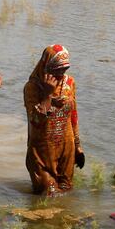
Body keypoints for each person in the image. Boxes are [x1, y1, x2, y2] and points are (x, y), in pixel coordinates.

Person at [23, 44, 84, 195]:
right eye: (57, 69)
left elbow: (73, 115)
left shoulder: (69, 83)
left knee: (66, 193)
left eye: (64, 69)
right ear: (46, 66)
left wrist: (77, 146)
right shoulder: (32, 88)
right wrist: (48, 95)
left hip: (66, 148)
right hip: (42, 153)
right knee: (49, 195)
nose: (61, 74)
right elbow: (35, 121)